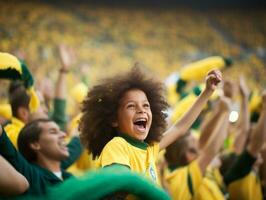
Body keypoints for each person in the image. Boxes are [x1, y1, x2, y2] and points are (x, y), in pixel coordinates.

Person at [79, 66, 222, 184]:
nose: (141, 110)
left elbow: (180, 128)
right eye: (131, 106)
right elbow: (118, 187)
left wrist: (207, 92)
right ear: (114, 119)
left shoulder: (149, 149)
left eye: (146, 106)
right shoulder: (117, 146)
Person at [164, 97, 230, 200]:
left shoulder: (182, 167)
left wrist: (221, 112)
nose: (199, 141)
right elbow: (211, 151)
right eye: (195, 142)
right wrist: (224, 112)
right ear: (189, 155)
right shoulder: (184, 176)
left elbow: (204, 139)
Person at [0, 119, 73, 196]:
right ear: (35, 144)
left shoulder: (70, 177)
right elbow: (6, 146)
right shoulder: (31, 176)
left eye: (60, 131)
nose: (64, 135)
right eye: (53, 132)